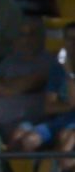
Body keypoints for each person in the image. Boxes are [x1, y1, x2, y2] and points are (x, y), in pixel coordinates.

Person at [10, 23, 75, 152]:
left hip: (72, 125)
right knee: (26, 140)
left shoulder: (65, 69)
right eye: (69, 38)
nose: (72, 43)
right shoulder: (57, 69)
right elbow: (49, 107)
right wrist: (70, 106)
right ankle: (32, 171)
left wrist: (69, 72)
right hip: (58, 121)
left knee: (65, 139)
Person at [0, 17, 56, 134]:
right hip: (0, 122)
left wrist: (7, 84)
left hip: (31, 122)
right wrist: (15, 86)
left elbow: (33, 82)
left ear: (41, 37)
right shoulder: (10, 60)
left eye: (32, 34)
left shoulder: (49, 61)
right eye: (22, 35)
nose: (26, 39)